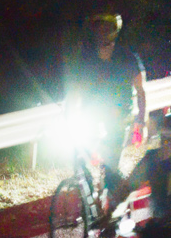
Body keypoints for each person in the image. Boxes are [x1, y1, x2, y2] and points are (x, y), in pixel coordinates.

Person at [62, 13, 147, 204]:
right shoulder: (87, 58)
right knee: (79, 152)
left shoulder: (127, 57)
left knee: (110, 166)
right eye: (99, 28)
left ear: (115, 31)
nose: (102, 32)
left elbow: (140, 90)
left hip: (118, 116)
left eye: (107, 28)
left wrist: (140, 120)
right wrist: (68, 112)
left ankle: (115, 200)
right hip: (91, 115)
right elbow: (77, 87)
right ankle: (91, 190)